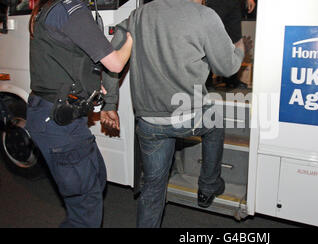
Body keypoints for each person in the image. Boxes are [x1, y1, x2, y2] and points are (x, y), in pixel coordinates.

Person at [101, 0, 245, 228]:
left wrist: (109, 103)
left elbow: (111, 59)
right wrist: (239, 47)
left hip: (149, 121)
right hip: (188, 116)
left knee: (153, 187)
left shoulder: (138, 15)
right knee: (215, 121)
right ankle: (208, 186)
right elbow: (227, 68)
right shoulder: (203, 15)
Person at [25, 0, 132, 227]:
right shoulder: (71, 10)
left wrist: (91, 88)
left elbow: (66, 58)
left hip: (53, 116)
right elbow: (115, 64)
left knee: (96, 178)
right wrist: (132, 37)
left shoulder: (51, 8)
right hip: (59, 122)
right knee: (85, 208)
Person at [205, 0, 255, 89]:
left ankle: (231, 78)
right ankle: (207, 79)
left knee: (234, 38)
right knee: (210, 36)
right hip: (216, 2)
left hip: (234, 2)